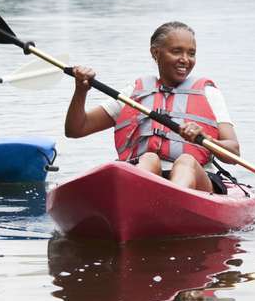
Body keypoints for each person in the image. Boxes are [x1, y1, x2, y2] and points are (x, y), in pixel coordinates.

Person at [64, 21, 240, 192]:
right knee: (149, 158)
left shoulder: (208, 93)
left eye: (191, 53)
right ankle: (138, 197)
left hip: (197, 180)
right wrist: (81, 90)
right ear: (156, 52)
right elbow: (76, 129)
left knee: (186, 161)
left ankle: (174, 199)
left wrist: (206, 139)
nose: (185, 60)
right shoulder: (135, 93)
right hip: (145, 176)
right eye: (176, 51)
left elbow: (233, 153)